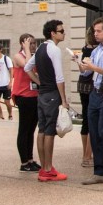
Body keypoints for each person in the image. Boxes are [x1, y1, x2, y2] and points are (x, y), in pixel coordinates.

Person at [25, 20, 71, 182]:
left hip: (42, 93)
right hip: (52, 93)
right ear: (53, 33)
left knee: (42, 129)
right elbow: (59, 77)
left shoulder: (40, 49)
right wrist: (64, 100)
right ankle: (47, 169)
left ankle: (44, 168)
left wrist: (39, 82)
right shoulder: (54, 50)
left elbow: (27, 68)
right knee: (50, 130)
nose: (63, 33)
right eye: (61, 30)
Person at [78, 17, 103, 185]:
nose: (95, 34)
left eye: (98, 31)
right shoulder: (96, 50)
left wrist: (92, 67)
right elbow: (86, 73)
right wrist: (81, 64)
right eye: (94, 31)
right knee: (94, 131)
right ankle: (99, 172)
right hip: (95, 91)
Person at [12, 33, 40, 172]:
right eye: (31, 43)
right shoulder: (18, 56)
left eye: (34, 43)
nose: (34, 45)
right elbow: (27, 66)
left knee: (31, 129)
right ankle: (24, 162)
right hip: (23, 95)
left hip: (35, 95)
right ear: (23, 44)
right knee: (24, 129)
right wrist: (27, 49)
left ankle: (30, 159)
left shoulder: (35, 55)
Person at [75, 27, 96, 168]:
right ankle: (87, 156)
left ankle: (87, 153)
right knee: (91, 120)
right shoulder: (95, 51)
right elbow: (86, 71)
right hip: (90, 86)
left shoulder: (84, 49)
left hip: (82, 86)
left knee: (86, 119)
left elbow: (82, 71)